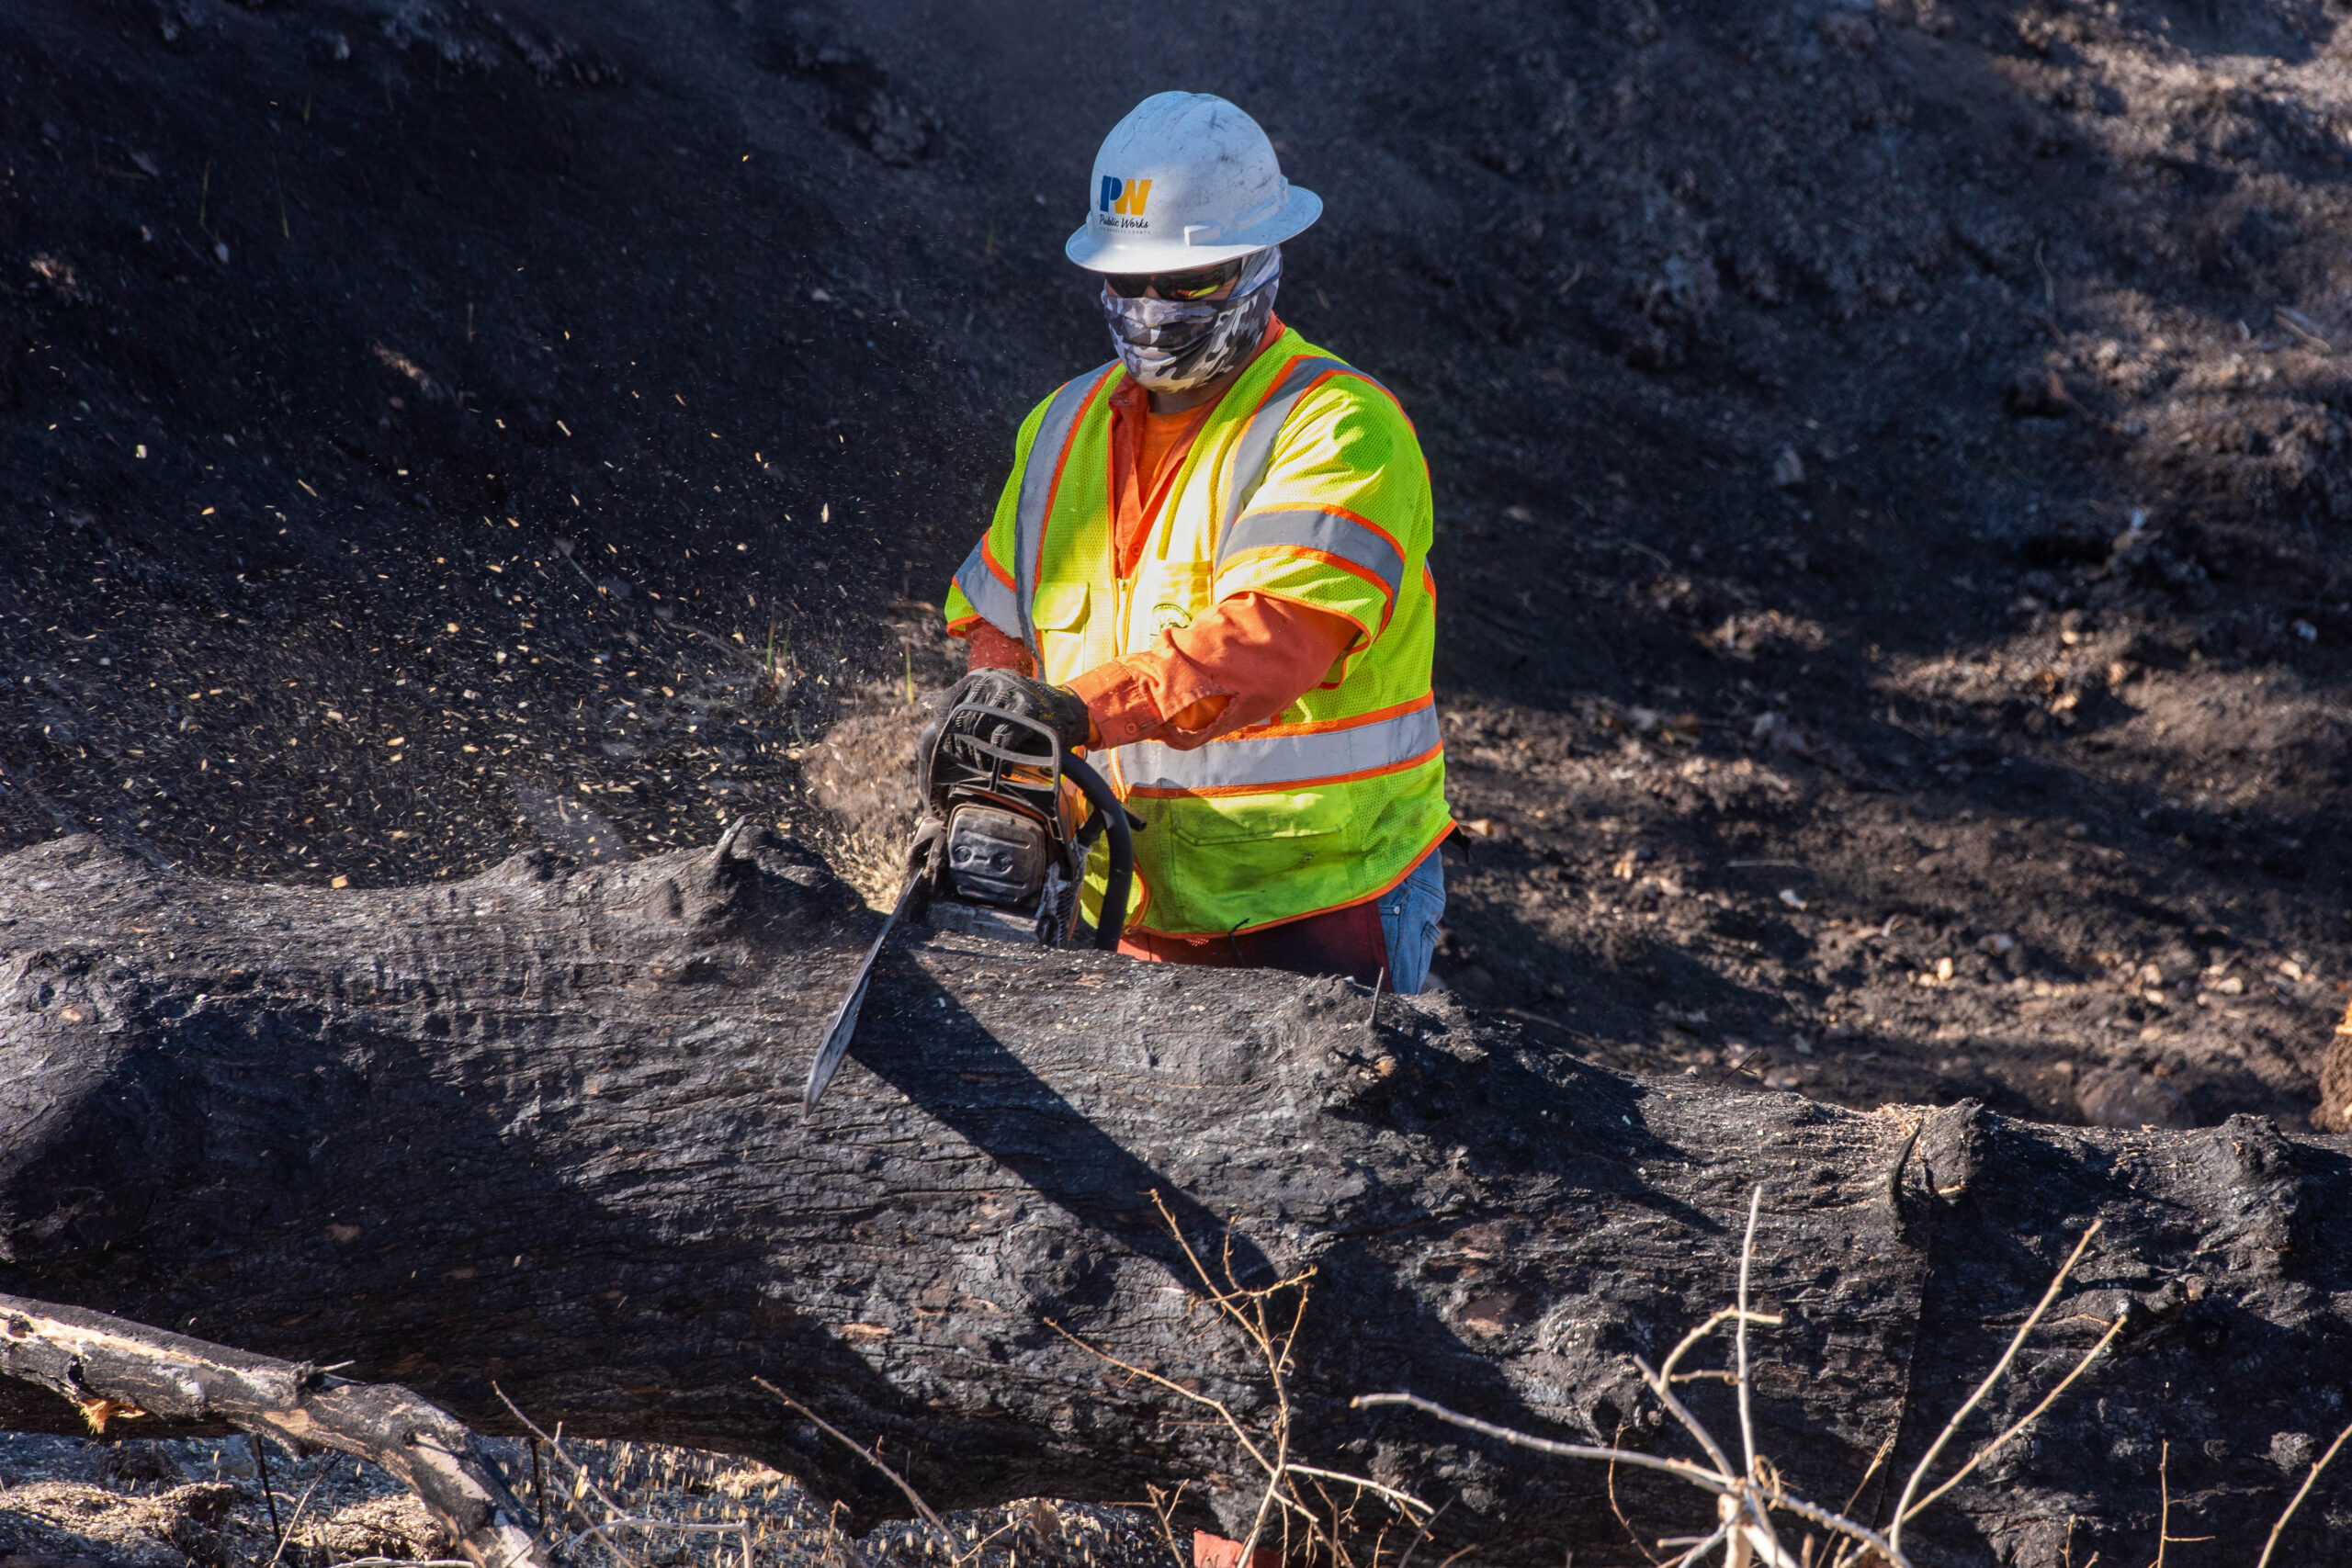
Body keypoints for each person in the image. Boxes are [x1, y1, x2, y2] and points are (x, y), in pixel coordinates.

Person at [942, 92, 1451, 993]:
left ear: (1260, 264)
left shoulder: (1339, 427)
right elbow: (1000, 624)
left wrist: (1078, 716)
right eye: (1127, 282)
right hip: (1124, 901)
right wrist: (1008, 765)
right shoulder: (1061, 426)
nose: (1151, 309)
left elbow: (1270, 642)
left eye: (1184, 283)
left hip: (1313, 901)